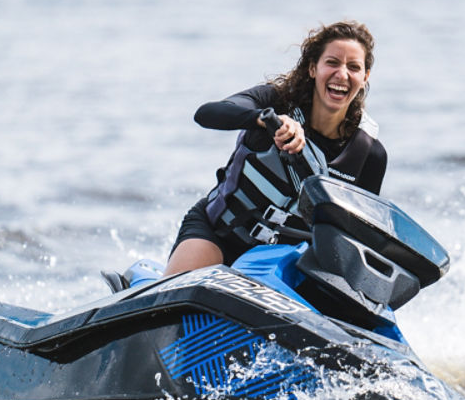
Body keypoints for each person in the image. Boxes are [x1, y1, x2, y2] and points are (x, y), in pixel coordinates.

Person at [165, 20, 387, 275]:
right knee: (172, 299)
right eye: (332, 63)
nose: (342, 74)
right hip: (219, 234)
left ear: (365, 77)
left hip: (284, 263)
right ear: (313, 68)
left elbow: (358, 237)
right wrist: (265, 120)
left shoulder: (369, 154)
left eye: (354, 67)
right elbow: (206, 114)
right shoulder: (274, 102)